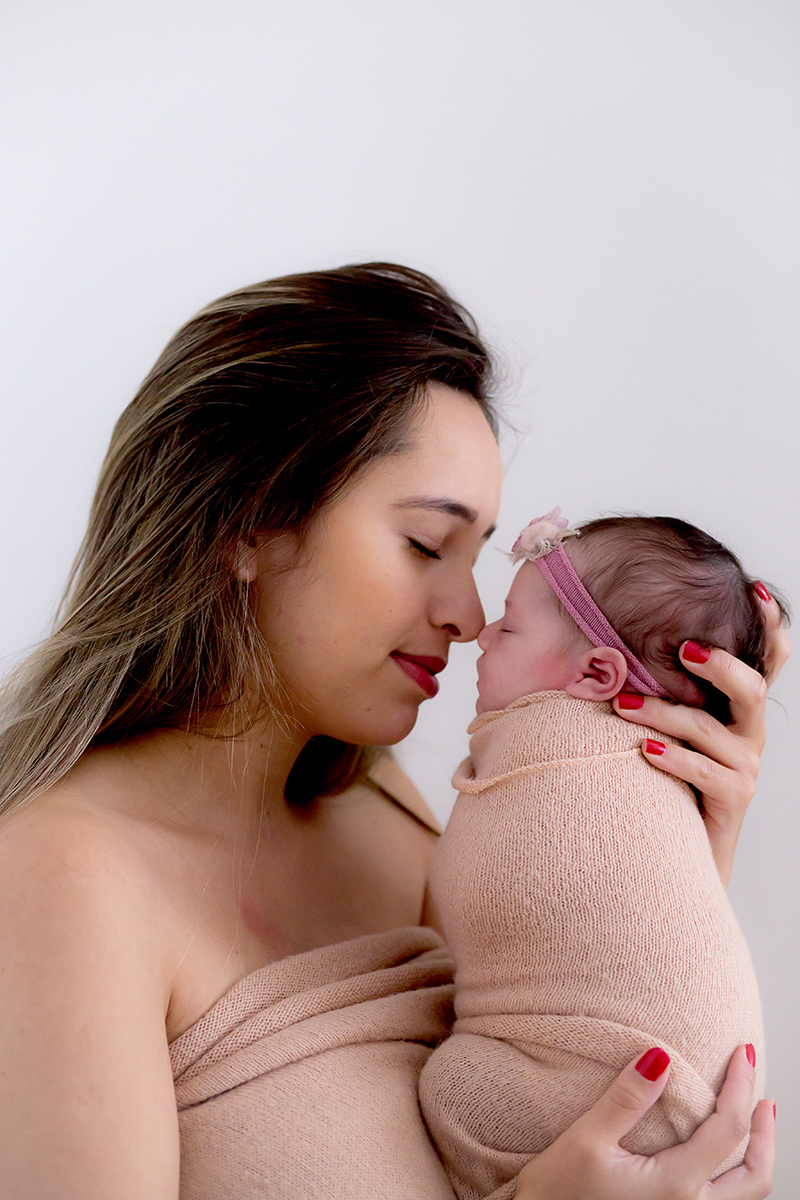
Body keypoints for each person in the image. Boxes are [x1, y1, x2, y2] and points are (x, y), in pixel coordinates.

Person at [0, 264, 785, 1200]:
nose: (468, 613)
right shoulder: (60, 875)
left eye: (475, 555)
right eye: (424, 544)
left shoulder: (390, 808)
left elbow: (546, 1089)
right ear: (250, 523)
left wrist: (678, 842)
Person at [419, 510, 790, 1200]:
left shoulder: (551, 752)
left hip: (633, 1095)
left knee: (458, 1093)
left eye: (509, 627)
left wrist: (714, 838)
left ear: (596, 673)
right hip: (689, 1099)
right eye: (422, 544)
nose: (480, 632)